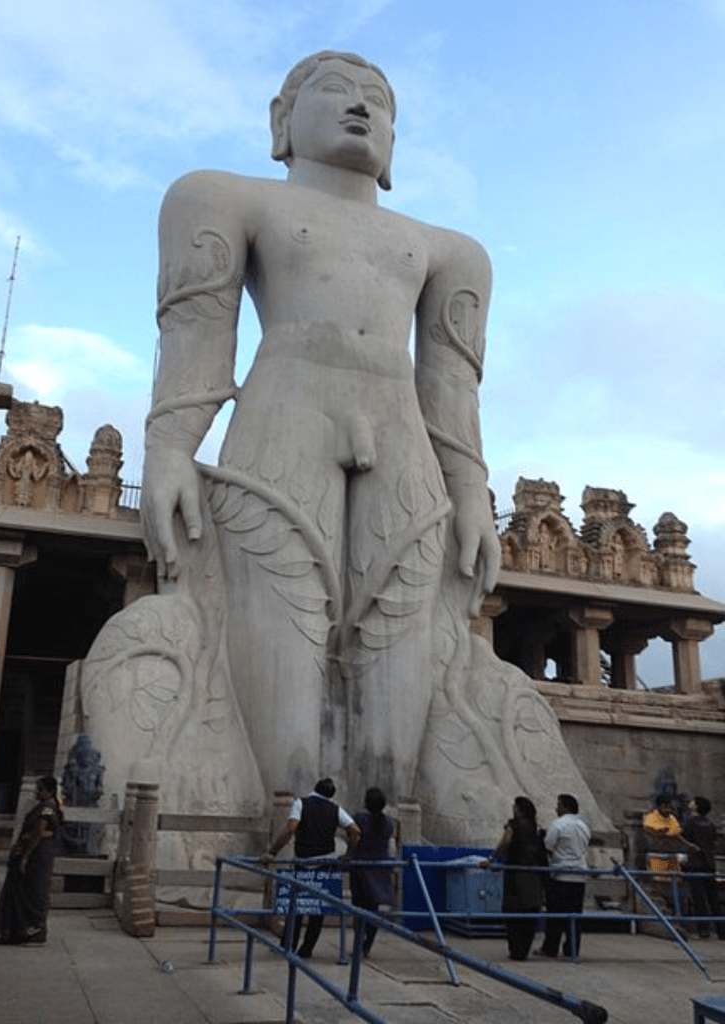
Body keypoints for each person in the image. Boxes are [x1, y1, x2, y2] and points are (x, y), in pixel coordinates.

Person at [140, 49, 501, 804]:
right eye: (336, 90)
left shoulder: (451, 251)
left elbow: (451, 389)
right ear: (282, 122)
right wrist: (170, 447)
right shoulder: (222, 197)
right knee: (278, 619)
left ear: (394, 142)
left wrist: (473, 492)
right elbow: (197, 333)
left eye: (379, 101)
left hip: (400, 434)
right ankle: (274, 818)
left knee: (401, 630)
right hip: (286, 413)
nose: (361, 106)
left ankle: (391, 822)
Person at [265, 777, 360, 958]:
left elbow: (290, 829)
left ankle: (288, 945)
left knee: (296, 905)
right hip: (325, 864)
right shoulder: (336, 809)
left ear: (314, 789)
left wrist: (273, 852)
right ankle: (306, 949)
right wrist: (349, 854)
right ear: (331, 795)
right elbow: (355, 831)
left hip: (302, 862)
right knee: (318, 909)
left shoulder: (300, 804)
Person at [0, 776, 63, 945]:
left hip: (37, 856)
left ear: (50, 791)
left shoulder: (47, 809)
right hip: (37, 853)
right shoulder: (44, 807)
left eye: (41, 789)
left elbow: (39, 833)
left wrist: (25, 857)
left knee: (35, 892)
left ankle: (34, 930)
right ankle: (18, 931)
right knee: (26, 891)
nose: (37, 792)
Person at [483, 796, 547, 960]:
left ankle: (515, 949)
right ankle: (523, 950)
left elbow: (505, 841)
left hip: (515, 875)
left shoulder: (513, 825)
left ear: (519, 809)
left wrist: (491, 859)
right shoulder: (535, 828)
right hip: (534, 876)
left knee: (513, 912)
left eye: (514, 806)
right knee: (530, 913)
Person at [536, 794, 591, 959]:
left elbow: (548, 845)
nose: (556, 808)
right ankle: (572, 949)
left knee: (556, 915)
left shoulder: (558, 824)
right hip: (580, 875)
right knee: (575, 916)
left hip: (561, 875)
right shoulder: (583, 826)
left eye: (559, 805)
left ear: (566, 807)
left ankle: (550, 948)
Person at [349, 787, 395, 957]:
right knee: (373, 909)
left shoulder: (360, 819)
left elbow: (352, 837)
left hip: (361, 868)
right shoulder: (389, 823)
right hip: (379, 869)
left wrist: (348, 854)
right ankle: (367, 946)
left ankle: (358, 945)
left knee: (358, 909)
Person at [682, 796, 725, 939]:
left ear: (696, 806)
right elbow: (714, 842)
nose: (690, 803)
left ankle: (703, 930)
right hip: (709, 863)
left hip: (695, 863)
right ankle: (721, 930)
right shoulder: (710, 824)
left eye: (693, 801)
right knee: (714, 899)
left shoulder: (690, 822)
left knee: (699, 898)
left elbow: (683, 839)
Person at [643, 795, 696, 875]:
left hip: (672, 856)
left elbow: (677, 834)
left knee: (676, 879)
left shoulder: (672, 818)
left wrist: (689, 845)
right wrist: (662, 831)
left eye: (669, 807)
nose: (668, 809)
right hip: (657, 856)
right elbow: (653, 830)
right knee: (659, 878)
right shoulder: (651, 817)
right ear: (659, 806)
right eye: (665, 806)